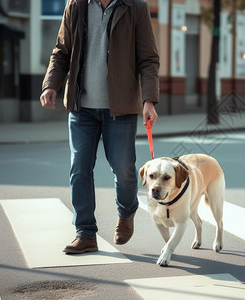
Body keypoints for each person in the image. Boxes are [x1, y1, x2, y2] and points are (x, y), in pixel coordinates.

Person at [40, 0, 159, 254]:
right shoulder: (76, 4)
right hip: (81, 107)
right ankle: (85, 233)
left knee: (124, 169)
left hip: (121, 108)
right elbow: (62, 49)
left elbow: (148, 59)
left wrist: (149, 100)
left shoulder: (135, 7)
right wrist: (51, 84)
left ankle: (127, 211)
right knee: (80, 167)